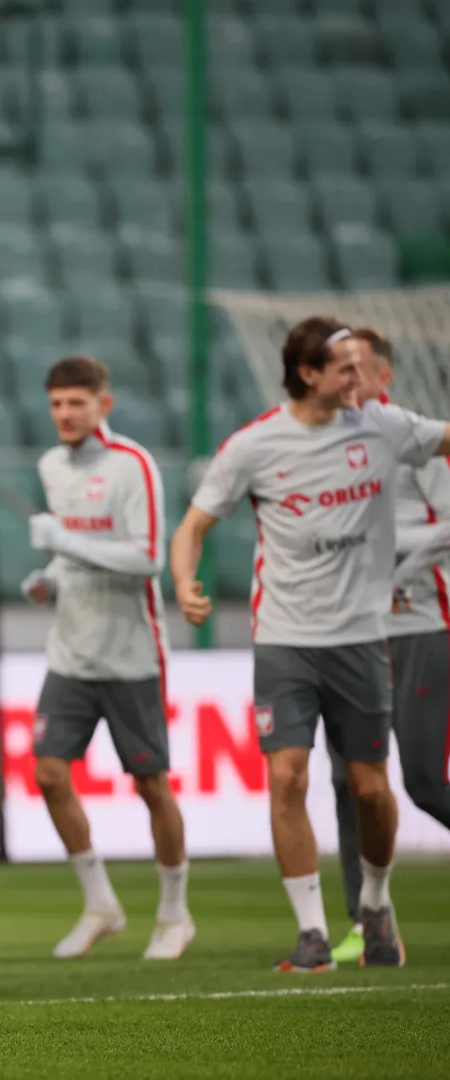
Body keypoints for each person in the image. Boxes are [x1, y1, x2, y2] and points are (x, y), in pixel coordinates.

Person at [171, 316, 450, 972]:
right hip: (285, 640)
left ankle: (376, 905)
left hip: (361, 638)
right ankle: (311, 934)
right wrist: (185, 581)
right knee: (287, 775)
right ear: (308, 374)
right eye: (347, 369)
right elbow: (193, 526)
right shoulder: (255, 446)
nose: (363, 380)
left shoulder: (382, 426)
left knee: (372, 790)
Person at [20, 356, 192, 961]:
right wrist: (48, 577)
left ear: (103, 406)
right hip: (71, 651)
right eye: (57, 405)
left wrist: (64, 543)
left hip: (130, 654)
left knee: (150, 784)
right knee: (47, 772)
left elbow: (146, 558)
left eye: (76, 403)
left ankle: (174, 912)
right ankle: (101, 903)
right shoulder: (51, 467)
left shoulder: (133, 466)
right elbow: (74, 558)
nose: (65, 415)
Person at [327, 328, 450, 963]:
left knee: (427, 781)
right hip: (352, 634)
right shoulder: (322, 446)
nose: (347, 383)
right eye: (337, 371)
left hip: (420, 625)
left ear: (384, 379)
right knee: (348, 781)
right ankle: (368, 923)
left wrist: (389, 570)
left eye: (358, 372)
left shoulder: (417, 444)